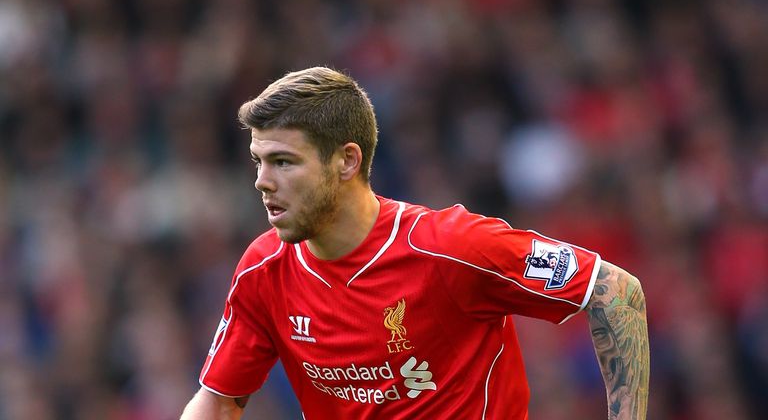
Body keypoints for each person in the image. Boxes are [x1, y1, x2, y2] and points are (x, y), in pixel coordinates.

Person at [180, 67, 649, 419]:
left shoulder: (452, 247)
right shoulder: (264, 269)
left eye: (283, 162)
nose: (262, 182)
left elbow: (615, 293)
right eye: (258, 161)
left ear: (346, 161)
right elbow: (219, 402)